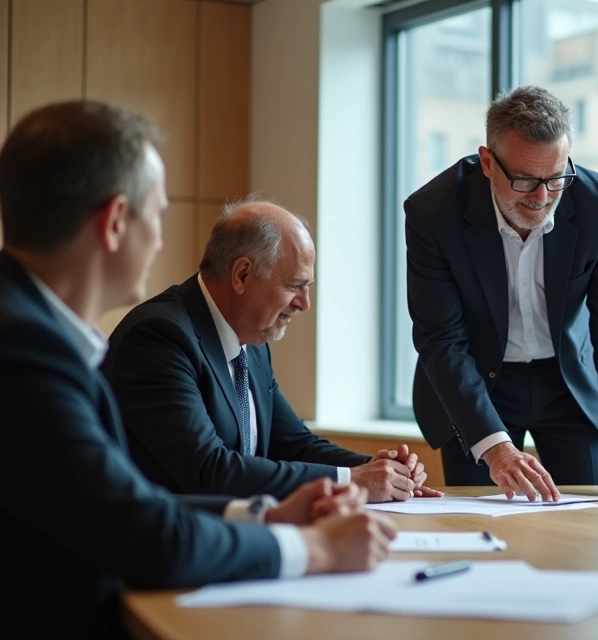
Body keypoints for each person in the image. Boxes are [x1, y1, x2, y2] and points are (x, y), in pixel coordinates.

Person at [0, 100, 396, 639]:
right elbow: (144, 533)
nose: (162, 238)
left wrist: (266, 516)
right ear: (116, 222)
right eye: (157, 214)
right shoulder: (26, 354)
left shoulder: (32, 331)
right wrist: (311, 548)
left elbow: (130, 502)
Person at [405, 85, 598, 499]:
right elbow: (441, 341)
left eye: (556, 178)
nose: (542, 198)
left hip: (569, 384)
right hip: (475, 383)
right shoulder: (432, 213)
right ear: (487, 162)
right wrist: (496, 448)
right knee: (480, 525)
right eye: (524, 181)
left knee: (590, 524)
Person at [104, 199, 439, 501]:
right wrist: (351, 480)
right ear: (242, 274)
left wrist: (378, 468)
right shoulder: (160, 338)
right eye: (295, 286)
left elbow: (292, 442)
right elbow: (208, 471)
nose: (304, 304)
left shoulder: (252, 341)